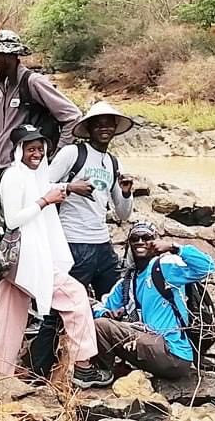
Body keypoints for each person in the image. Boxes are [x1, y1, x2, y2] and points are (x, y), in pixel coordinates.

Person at [29, 101, 136, 378]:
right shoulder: (73, 153)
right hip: (73, 242)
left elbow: (123, 213)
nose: (104, 128)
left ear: (115, 128)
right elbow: (40, 186)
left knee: (114, 305)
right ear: (88, 128)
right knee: (59, 309)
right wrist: (70, 187)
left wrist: (126, 193)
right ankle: (39, 370)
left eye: (109, 124)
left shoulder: (112, 162)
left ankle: (103, 362)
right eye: (99, 124)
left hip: (102, 245)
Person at [0, 125, 98, 386]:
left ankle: (0, 374)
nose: (37, 154)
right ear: (19, 151)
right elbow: (13, 219)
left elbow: (48, 187)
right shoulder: (13, 176)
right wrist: (45, 201)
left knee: (10, 315)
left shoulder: (34, 176)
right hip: (23, 257)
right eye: (31, 149)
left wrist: (65, 189)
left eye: (40, 149)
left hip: (18, 259)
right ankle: (83, 364)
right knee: (75, 296)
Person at [84, 222, 215, 385]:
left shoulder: (165, 268)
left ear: (155, 242)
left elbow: (207, 266)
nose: (140, 242)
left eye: (146, 237)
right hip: (148, 344)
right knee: (98, 320)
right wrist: (106, 313)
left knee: (101, 326)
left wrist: (174, 247)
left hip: (173, 352)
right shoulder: (127, 283)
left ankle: (104, 374)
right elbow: (103, 307)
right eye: (135, 238)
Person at [0, 30, 81, 190]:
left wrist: (56, 156)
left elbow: (73, 117)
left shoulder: (32, 82)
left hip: (24, 170)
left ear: (9, 56)